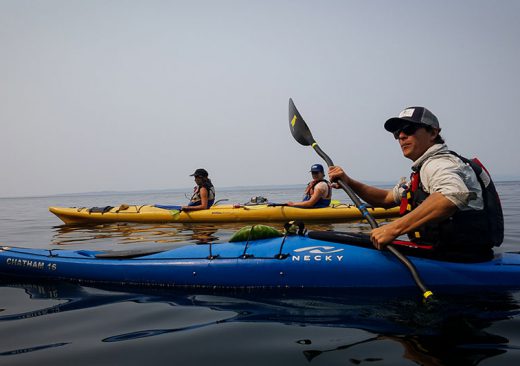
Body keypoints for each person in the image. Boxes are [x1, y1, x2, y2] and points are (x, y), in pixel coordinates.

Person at [328, 106, 503, 261]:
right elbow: (386, 198)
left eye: (409, 129)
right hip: (442, 253)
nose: (401, 136)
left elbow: (450, 197)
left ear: (433, 133)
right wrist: (348, 181)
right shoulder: (423, 169)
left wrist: (393, 229)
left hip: (459, 259)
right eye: (397, 134)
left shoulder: (439, 164)